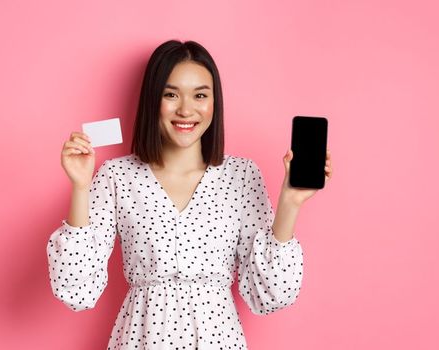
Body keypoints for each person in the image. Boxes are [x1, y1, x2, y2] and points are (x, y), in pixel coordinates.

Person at [47, 39, 333, 349]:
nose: (186, 109)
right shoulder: (117, 176)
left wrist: (290, 202)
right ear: (152, 100)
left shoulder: (241, 176)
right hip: (142, 339)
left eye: (200, 95)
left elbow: (272, 294)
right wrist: (80, 185)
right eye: (171, 94)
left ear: (214, 102)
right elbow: (75, 289)